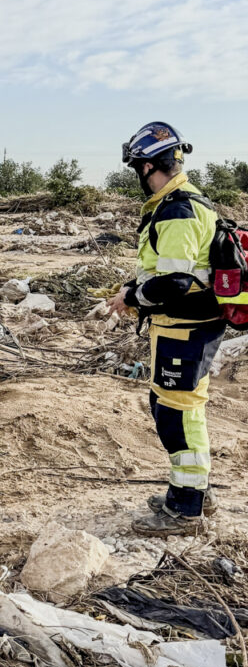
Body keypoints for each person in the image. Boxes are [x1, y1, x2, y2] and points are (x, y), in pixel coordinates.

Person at [106, 122, 225, 534]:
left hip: (186, 328)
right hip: (182, 326)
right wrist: (131, 288)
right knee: (172, 405)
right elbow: (167, 270)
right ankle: (194, 494)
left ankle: (186, 508)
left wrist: (132, 298)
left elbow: (176, 283)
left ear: (147, 167)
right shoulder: (179, 204)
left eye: (138, 167)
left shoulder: (177, 209)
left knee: (177, 413)